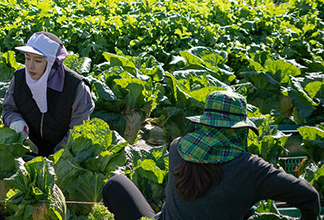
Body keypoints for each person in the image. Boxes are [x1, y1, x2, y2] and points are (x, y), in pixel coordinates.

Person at [102, 90, 321, 220]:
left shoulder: (178, 148)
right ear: (240, 128)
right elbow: (309, 197)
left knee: (115, 183)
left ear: (205, 122)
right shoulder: (251, 168)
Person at [2, 31, 94, 156]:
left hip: (64, 159)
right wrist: (15, 121)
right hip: (25, 152)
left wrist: (53, 159)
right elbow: (8, 109)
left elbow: (77, 132)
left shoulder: (77, 87)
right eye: (27, 58)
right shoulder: (19, 78)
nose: (30, 66)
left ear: (52, 63)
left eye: (38, 61)